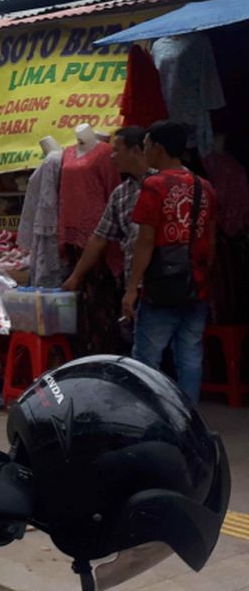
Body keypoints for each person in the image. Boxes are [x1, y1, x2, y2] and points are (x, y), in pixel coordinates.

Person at [123, 121, 218, 404]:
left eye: (147, 146)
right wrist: (201, 276)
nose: (145, 152)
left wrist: (131, 288)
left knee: (146, 359)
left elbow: (145, 242)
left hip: (162, 287)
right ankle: (188, 419)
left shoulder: (154, 186)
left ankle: (148, 417)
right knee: (189, 355)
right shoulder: (205, 186)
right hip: (196, 287)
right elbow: (211, 243)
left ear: (159, 149)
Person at [63, 126, 153, 297]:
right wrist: (75, 276)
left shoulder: (164, 182)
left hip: (165, 278)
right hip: (137, 284)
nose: (112, 156)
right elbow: (99, 237)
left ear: (134, 151)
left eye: (117, 151)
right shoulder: (121, 194)